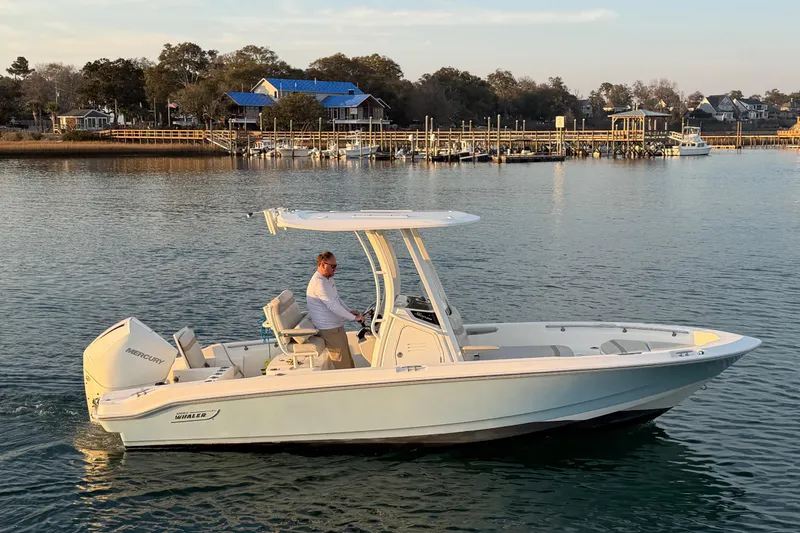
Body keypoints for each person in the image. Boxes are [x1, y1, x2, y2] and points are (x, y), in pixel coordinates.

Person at [306, 251, 364, 369]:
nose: (335, 269)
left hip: (336, 326)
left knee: (347, 357)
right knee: (342, 362)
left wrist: (349, 311)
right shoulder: (318, 283)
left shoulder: (328, 279)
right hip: (329, 328)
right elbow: (332, 305)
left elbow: (336, 299)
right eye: (332, 266)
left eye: (336, 266)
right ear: (323, 265)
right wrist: (354, 318)